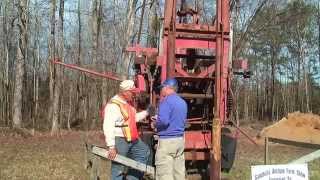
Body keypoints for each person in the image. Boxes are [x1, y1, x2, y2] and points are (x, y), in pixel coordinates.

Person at [103, 79, 151, 180]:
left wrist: (147, 112)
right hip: (120, 140)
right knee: (118, 168)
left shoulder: (128, 104)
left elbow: (133, 118)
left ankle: (132, 178)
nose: (134, 95)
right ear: (125, 92)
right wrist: (111, 146)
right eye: (132, 92)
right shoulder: (113, 105)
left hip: (133, 139)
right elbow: (108, 126)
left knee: (144, 151)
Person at [154, 78, 188, 180]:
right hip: (180, 141)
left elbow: (164, 121)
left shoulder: (165, 102)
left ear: (168, 88)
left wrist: (155, 124)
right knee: (179, 173)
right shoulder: (183, 103)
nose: (161, 90)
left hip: (167, 142)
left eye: (162, 88)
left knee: (164, 174)